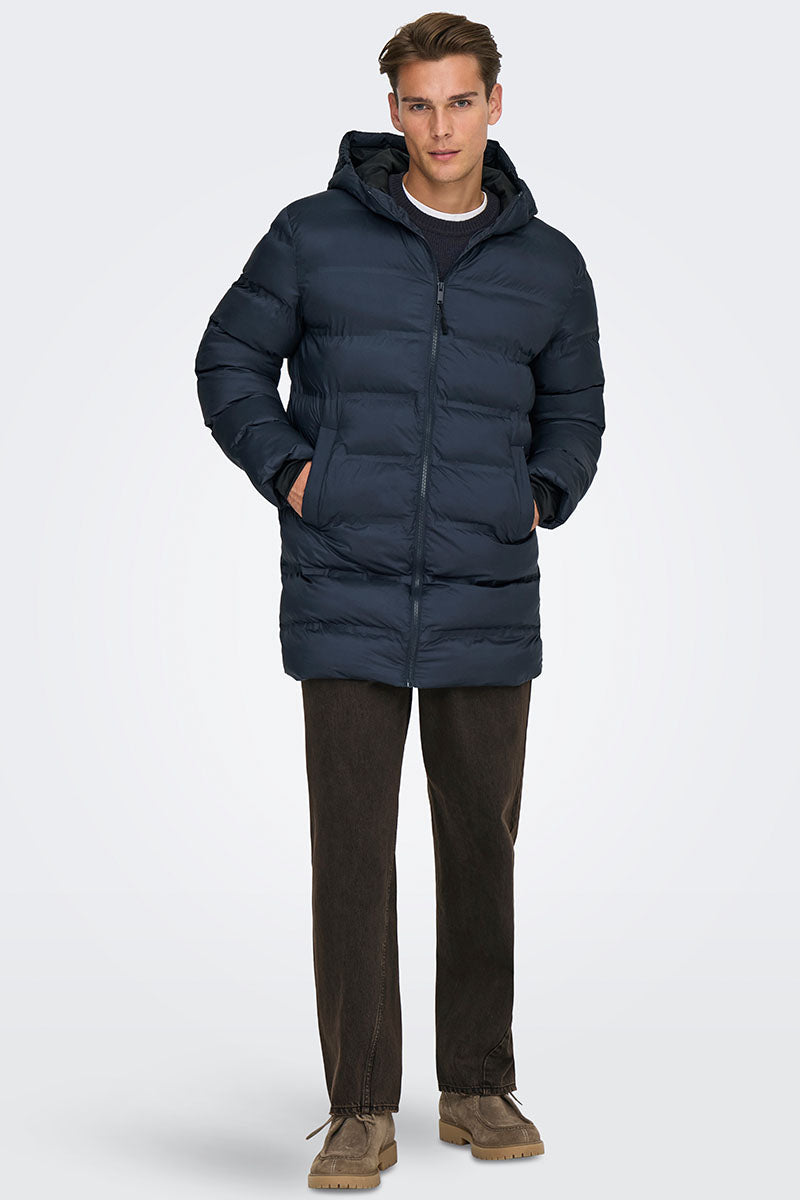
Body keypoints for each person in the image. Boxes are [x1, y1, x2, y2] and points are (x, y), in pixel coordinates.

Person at [194, 11, 605, 1189]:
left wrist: (537, 493)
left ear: (493, 104)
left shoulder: (547, 263)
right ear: (391, 112)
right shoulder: (313, 236)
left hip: (484, 587)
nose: (440, 127)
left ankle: (475, 1084)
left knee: (480, 845)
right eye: (418, 104)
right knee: (351, 851)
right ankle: (359, 1107)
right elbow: (229, 362)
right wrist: (295, 474)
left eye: (459, 101)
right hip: (344, 583)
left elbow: (575, 408)